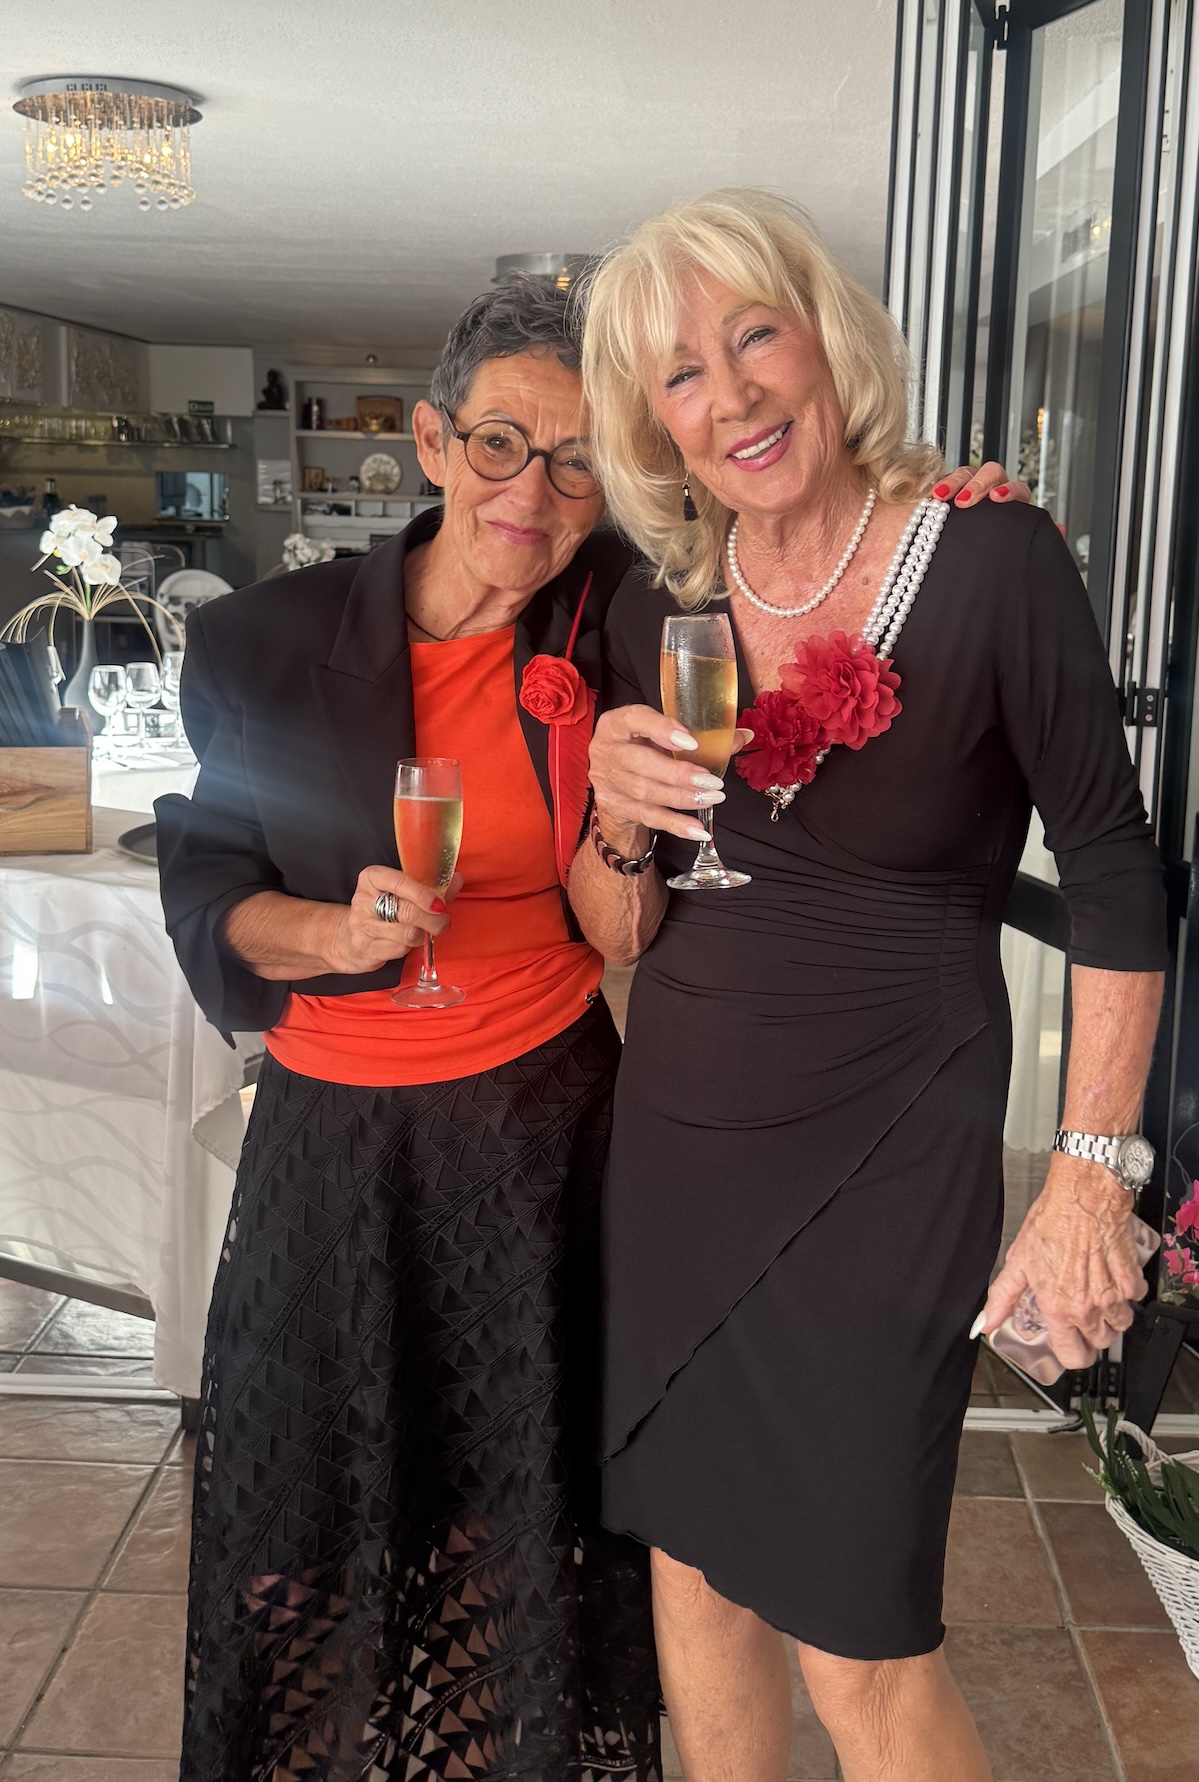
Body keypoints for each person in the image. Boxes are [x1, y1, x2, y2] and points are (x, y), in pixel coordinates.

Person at [572, 189, 1168, 1782]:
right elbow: (619, 928)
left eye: (752, 336)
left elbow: (1114, 870)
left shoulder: (990, 559)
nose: (731, 395)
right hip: (680, 1146)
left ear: (826, 338)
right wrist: (613, 814)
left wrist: (1087, 1175)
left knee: (858, 1633)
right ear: (655, 423)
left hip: (887, 1151)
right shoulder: (656, 605)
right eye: (682, 374)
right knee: (692, 1570)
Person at [155, 281, 660, 1782]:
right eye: (500, 442)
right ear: (433, 443)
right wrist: (334, 937)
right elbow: (210, 886)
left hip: (547, 1132)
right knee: (303, 1510)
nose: (533, 491)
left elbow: (786, 557)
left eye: (576, 460)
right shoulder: (264, 642)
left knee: (522, 1511)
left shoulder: (618, 618)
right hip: (336, 1143)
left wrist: (938, 502)